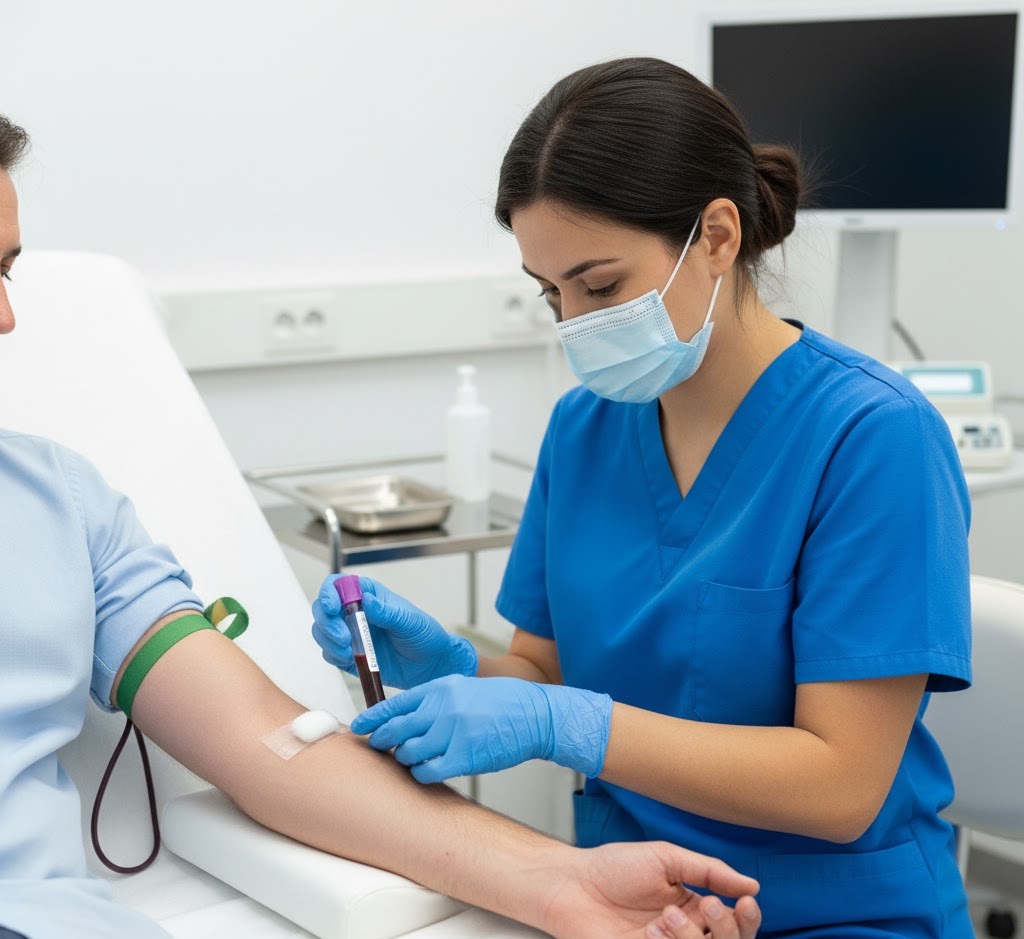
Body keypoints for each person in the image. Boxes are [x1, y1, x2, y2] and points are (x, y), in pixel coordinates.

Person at [0, 115, 761, 939]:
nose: (8, 318)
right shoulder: (589, 431)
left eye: (6, 271)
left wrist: (560, 878)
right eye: (555, 293)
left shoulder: (60, 504)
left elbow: (265, 743)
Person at [312, 57, 974, 937]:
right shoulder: (583, 430)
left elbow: (843, 784)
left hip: (836, 912)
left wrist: (565, 722)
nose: (575, 323)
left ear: (716, 237)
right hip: (628, 898)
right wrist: (452, 668)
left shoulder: (872, 438)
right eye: (550, 293)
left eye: (602, 284)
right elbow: (545, 674)